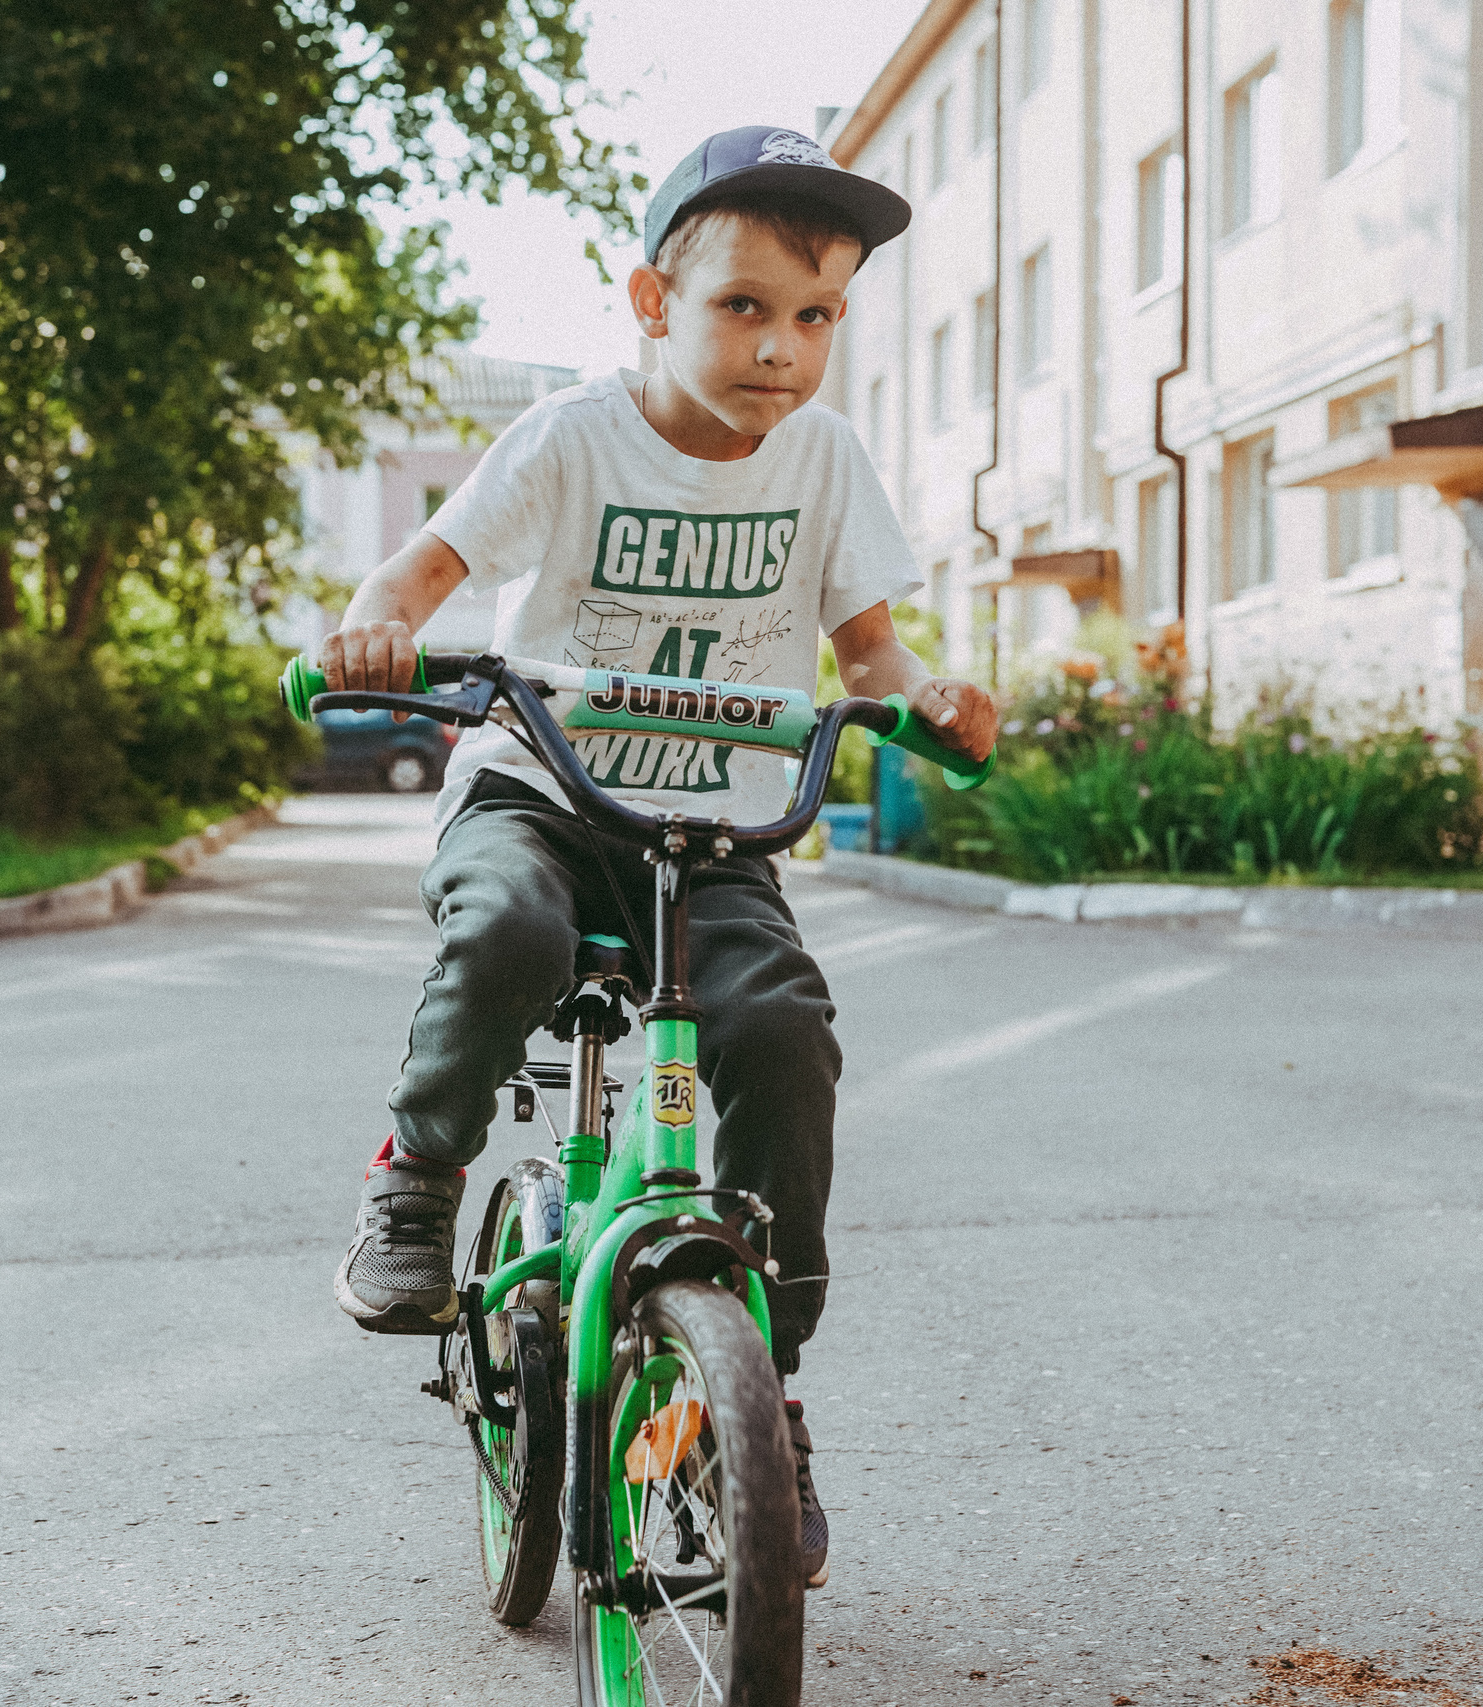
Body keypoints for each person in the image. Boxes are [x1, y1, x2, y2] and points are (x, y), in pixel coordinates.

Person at [314, 124, 997, 1589]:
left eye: (816, 317)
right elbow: (422, 571)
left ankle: (761, 1376)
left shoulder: (824, 461)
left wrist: (927, 699)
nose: (782, 350)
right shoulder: (571, 436)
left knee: (780, 1030)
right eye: (743, 306)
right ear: (651, 301)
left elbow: (869, 652)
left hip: (717, 827)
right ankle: (417, 1174)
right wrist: (373, 629)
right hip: (548, 799)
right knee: (505, 932)